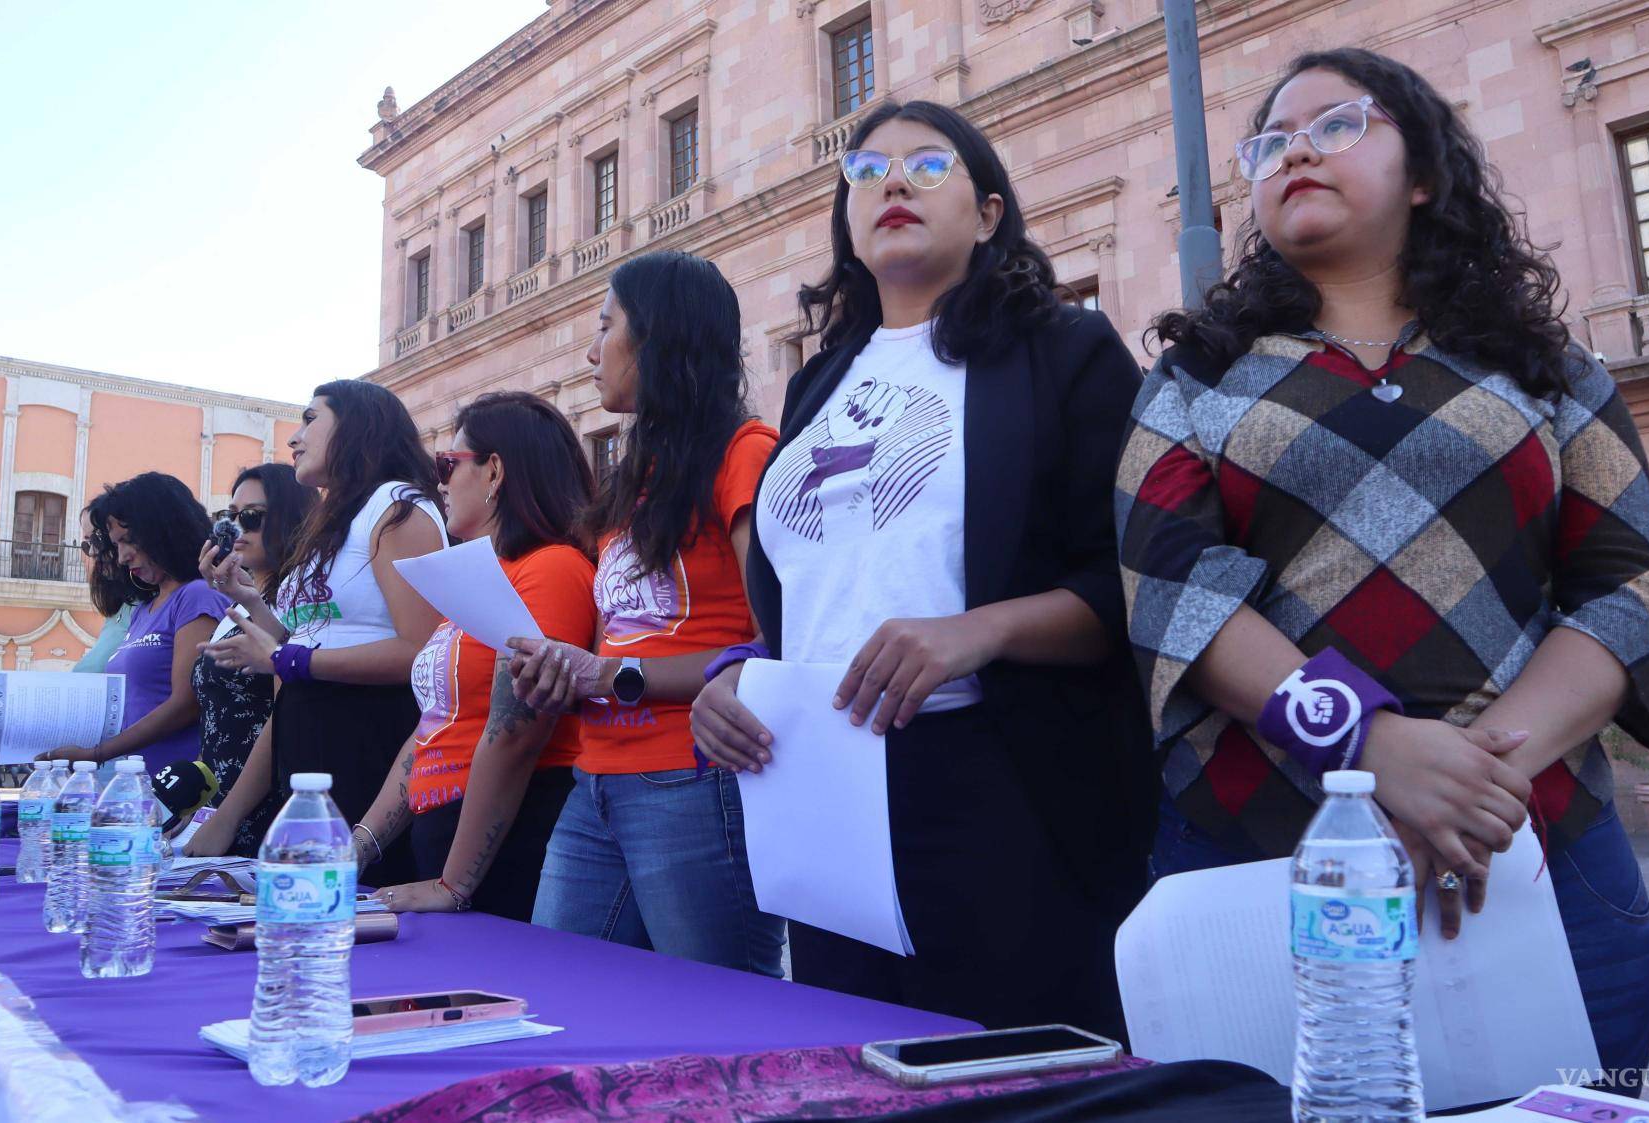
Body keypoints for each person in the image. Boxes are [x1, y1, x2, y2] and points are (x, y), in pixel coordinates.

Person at [1115, 48, 1649, 1088]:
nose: (1295, 152)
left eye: (1336, 125)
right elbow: (1170, 588)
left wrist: (1468, 779)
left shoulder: (1550, 368)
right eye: (1271, 141)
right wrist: (1367, 746)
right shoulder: (1191, 375)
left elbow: (1628, 584)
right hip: (1255, 846)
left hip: (1528, 844)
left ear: (1421, 171)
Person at [688, 100, 1152, 1038]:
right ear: (848, 224)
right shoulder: (821, 382)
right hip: (823, 793)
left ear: (987, 214)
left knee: (1011, 1078)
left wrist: (982, 631)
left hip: (996, 785)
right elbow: (824, 585)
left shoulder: (1064, 351)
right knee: (849, 1072)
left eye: (927, 166)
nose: (892, 182)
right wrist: (738, 675)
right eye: (866, 172)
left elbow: (1135, 583)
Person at [505, 250, 785, 977]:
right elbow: (620, 641)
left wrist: (610, 671)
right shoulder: (630, 480)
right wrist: (560, 671)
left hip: (695, 780)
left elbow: (776, 637)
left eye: (607, 327)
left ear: (659, 337)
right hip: (595, 779)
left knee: (723, 1019)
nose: (592, 353)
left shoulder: (744, 451)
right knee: (555, 993)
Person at [188, 380, 447, 886]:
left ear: (356, 427)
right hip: (307, 753)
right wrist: (247, 599)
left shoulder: (398, 508)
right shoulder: (334, 522)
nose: (294, 437)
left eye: (310, 419)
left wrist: (294, 663)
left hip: (369, 746)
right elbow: (304, 642)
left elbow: (422, 652)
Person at [353, 392, 597, 917]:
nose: (438, 481)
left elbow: (517, 735)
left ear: (494, 472)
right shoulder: (486, 579)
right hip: (448, 833)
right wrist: (362, 844)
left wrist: (454, 884)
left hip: (508, 837)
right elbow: (435, 726)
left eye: (449, 463)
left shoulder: (552, 568)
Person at [41, 473, 230, 772]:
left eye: (128, 541)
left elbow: (186, 703)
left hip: (178, 784)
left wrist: (96, 753)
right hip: (135, 782)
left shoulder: (197, 596)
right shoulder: (144, 609)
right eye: (116, 545)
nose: (121, 557)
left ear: (164, 529)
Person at [188, 463, 316, 856]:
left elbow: (284, 703)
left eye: (251, 518)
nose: (237, 532)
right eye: (230, 518)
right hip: (218, 801)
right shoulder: (244, 601)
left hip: (259, 805)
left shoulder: (304, 598)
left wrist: (228, 816)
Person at [70, 506, 136, 673]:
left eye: (97, 539)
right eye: (86, 544)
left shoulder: (148, 605)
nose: (92, 552)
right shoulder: (119, 607)